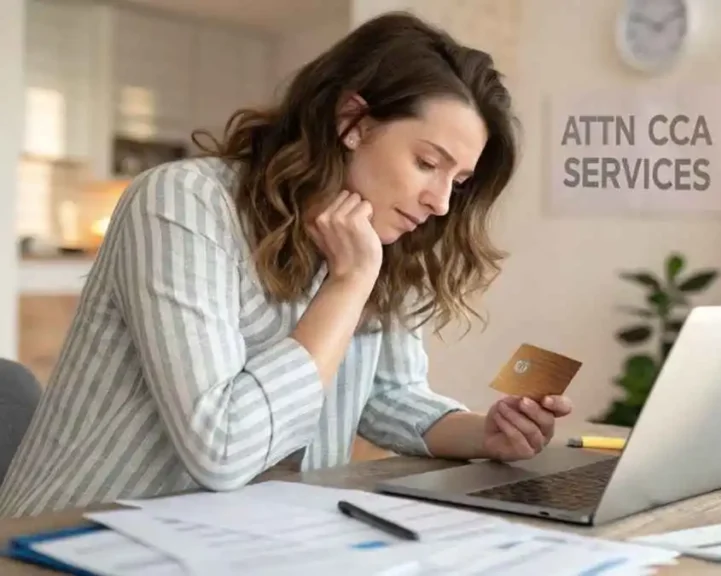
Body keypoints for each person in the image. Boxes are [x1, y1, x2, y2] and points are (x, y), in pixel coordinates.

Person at [0, 11, 573, 518]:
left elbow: (387, 395)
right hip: (71, 537)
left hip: (243, 538)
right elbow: (221, 449)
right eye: (428, 163)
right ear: (353, 122)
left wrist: (486, 433)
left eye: (459, 181)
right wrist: (346, 287)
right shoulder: (182, 203)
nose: (441, 202)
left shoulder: (379, 237)